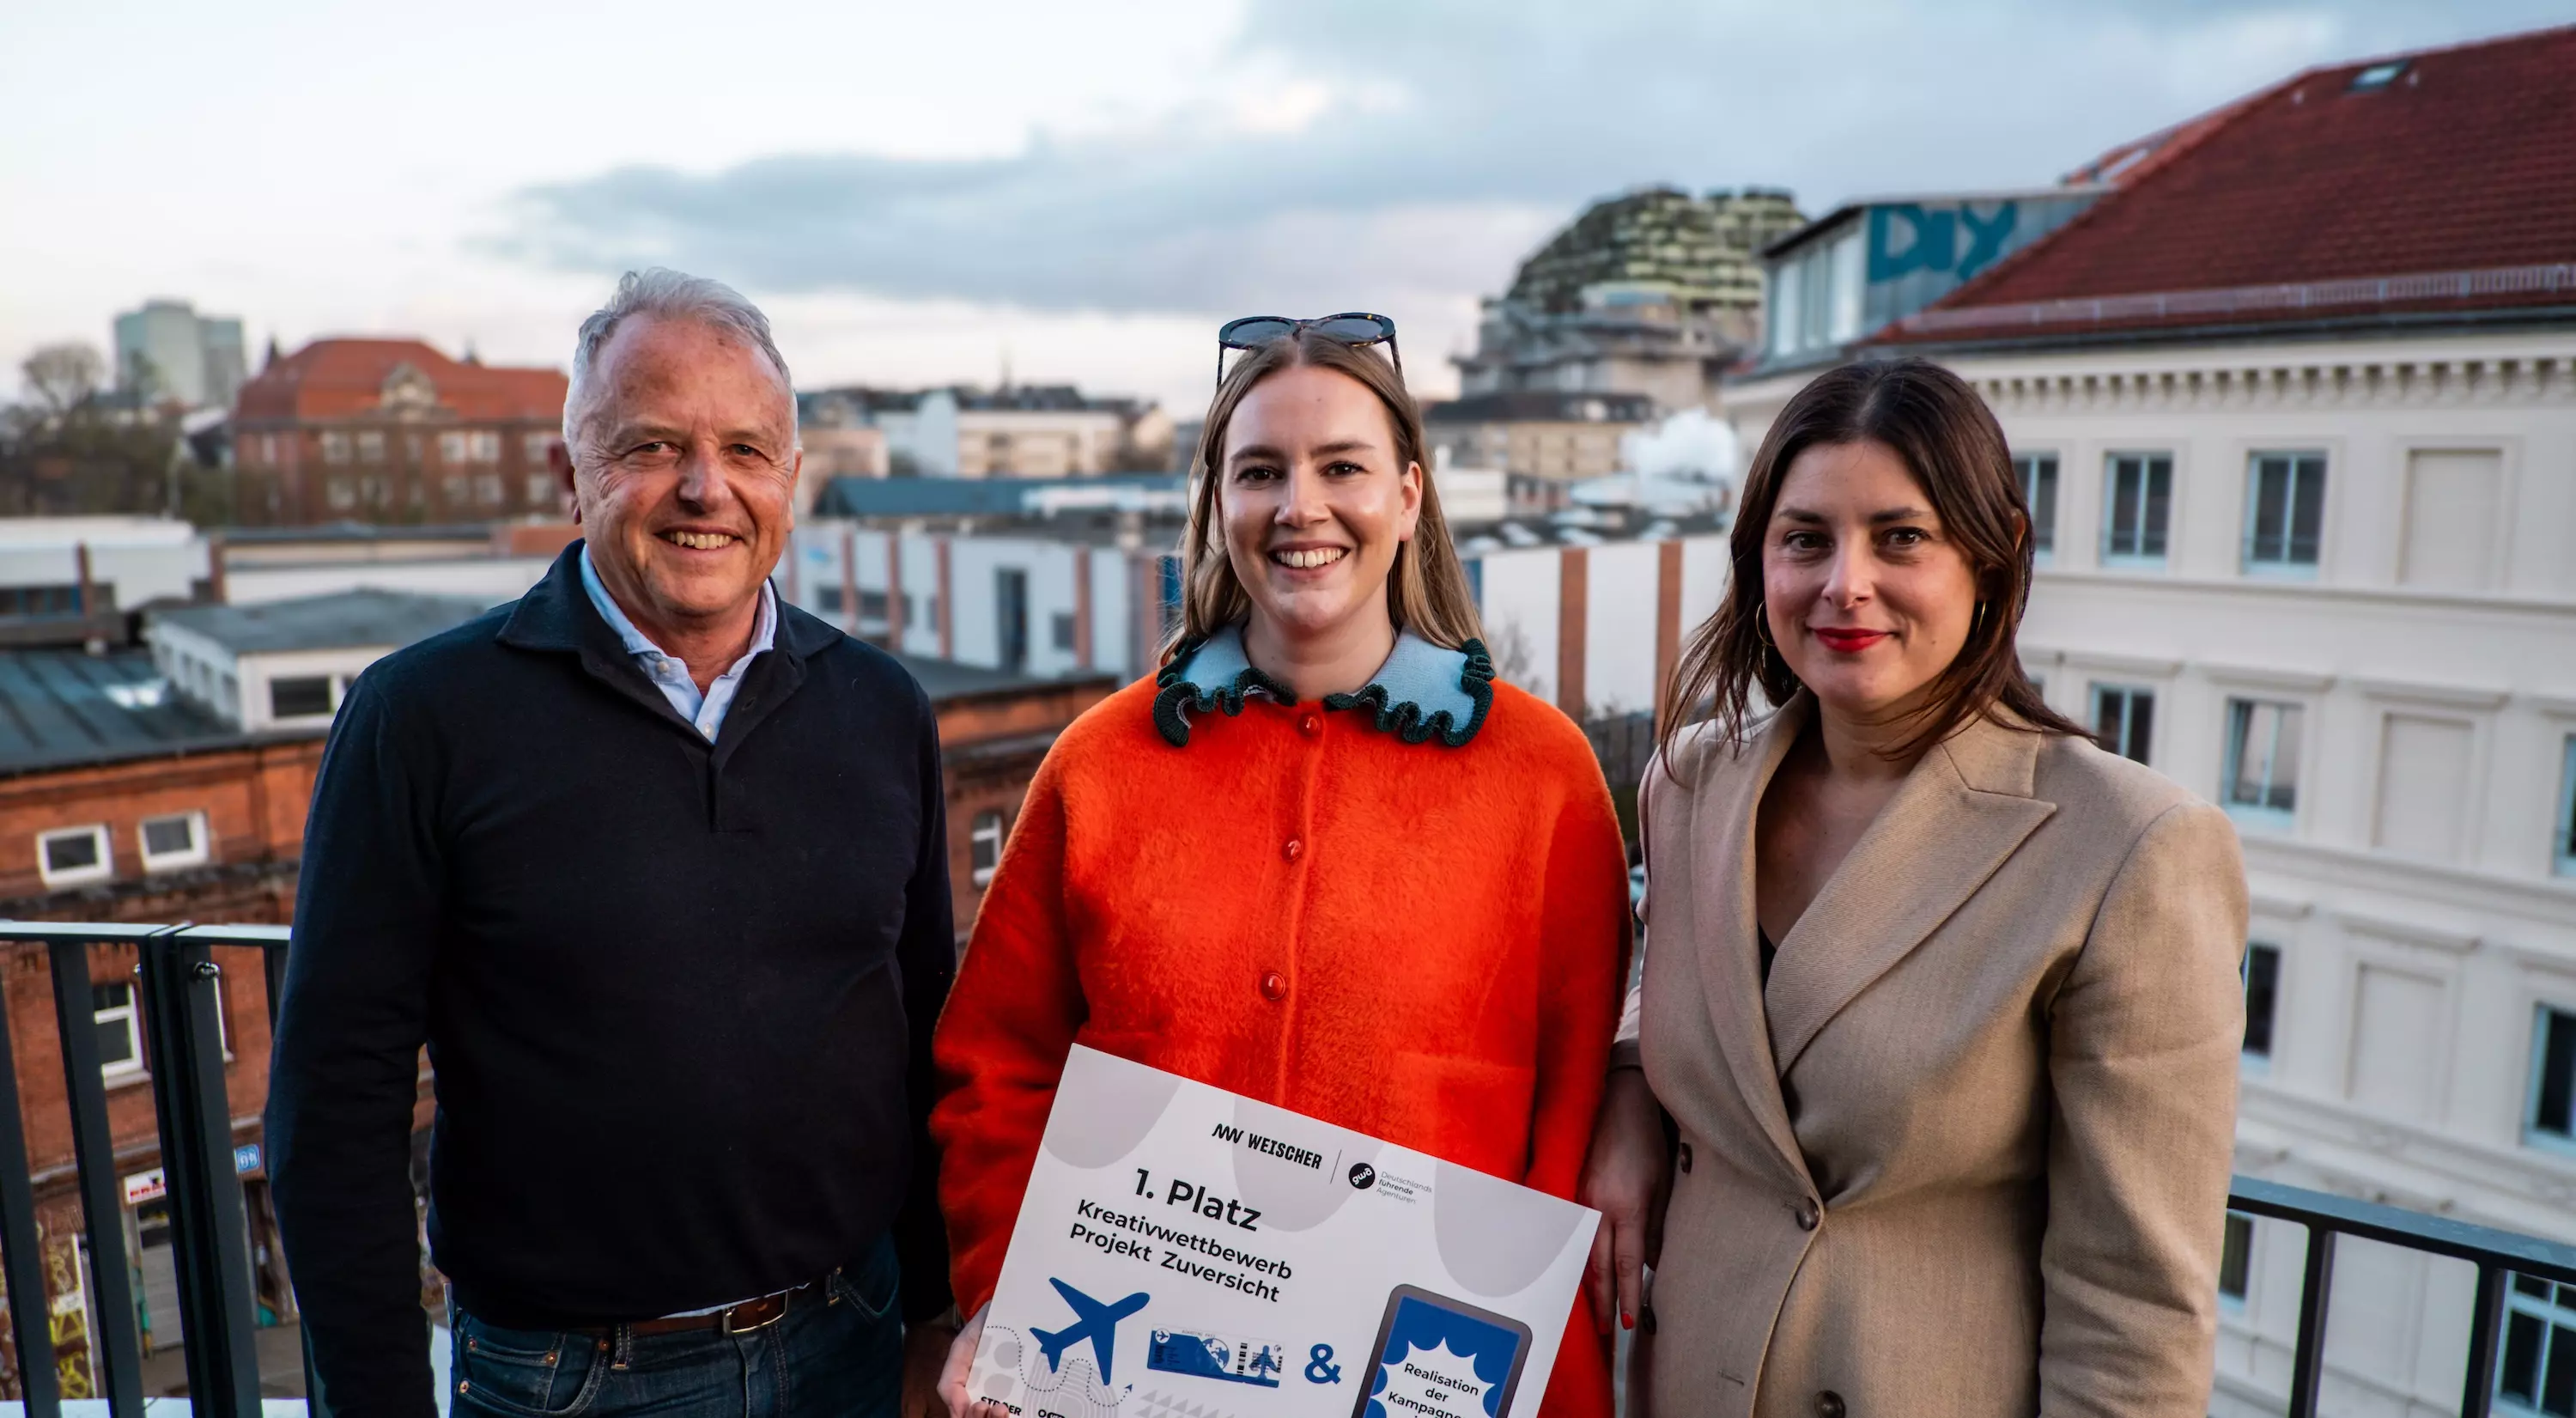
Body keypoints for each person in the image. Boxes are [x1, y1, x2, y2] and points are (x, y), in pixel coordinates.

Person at [266, 268, 957, 1418]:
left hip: (851, 1340)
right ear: (571, 473)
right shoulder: (422, 717)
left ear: (792, 482)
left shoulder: (881, 707)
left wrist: (932, 1311)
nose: (705, 488)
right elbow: (334, 1106)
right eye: (650, 445)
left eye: (746, 449)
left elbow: (923, 1029)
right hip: (569, 1379)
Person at [929, 316, 1631, 1417]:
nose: (1301, 506)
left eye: (1341, 466)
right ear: (1219, 505)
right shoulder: (1101, 763)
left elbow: (1580, 1108)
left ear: (1407, 498)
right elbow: (997, 1069)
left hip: (1434, 1377)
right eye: (1261, 471)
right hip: (1130, 1377)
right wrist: (1006, 1297)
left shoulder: (1543, 776)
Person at [1579, 358, 2248, 1418]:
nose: (1846, 583)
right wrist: (1625, 1091)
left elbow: (2137, 1308)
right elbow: (1659, 973)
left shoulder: (2130, 848)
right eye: (1807, 539)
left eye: (1901, 537)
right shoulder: (1693, 779)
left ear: (1992, 559)